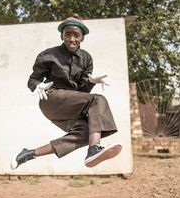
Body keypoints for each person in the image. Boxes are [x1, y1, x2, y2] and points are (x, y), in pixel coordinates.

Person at [11, 14, 122, 170]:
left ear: (82, 38)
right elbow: (33, 79)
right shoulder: (48, 55)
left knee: (85, 132)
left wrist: (91, 82)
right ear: (61, 35)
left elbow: (81, 93)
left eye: (76, 35)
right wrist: (36, 86)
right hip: (51, 98)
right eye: (68, 34)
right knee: (98, 100)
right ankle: (94, 149)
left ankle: (29, 153)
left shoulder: (86, 59)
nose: (72, 39)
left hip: (70, 105)